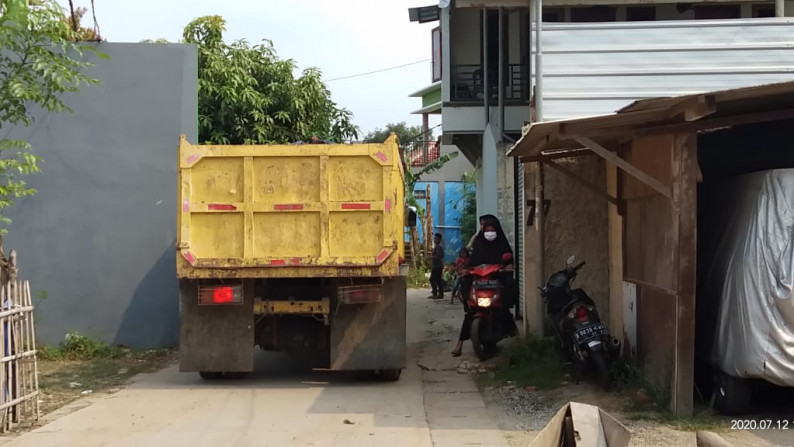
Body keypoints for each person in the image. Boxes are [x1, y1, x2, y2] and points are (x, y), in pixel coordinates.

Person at [451, 217, 517, 356]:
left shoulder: (502, 245)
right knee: (470, 312)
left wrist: (508, 266)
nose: (489, 233)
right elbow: (472, 263)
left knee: (504, 307)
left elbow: (509, 259)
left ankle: (514, 337)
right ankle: (460, 343)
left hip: (496, 282)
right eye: (487, 230)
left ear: (497, 231)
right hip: (480, 283)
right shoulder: (479, 245)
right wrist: (466, 270)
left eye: (492, 230)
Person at [428, 233, 445, 300]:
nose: (435, 240)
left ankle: (435, 293)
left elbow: (439, 256)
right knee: (437, 280)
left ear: (439, 239)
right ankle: (439, 294)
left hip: (437, 266)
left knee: (433, 279)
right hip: (436, 266)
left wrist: (431, 257)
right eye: (434, 238)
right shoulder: (437, 247)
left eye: (436, 239)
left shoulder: (438, 247)